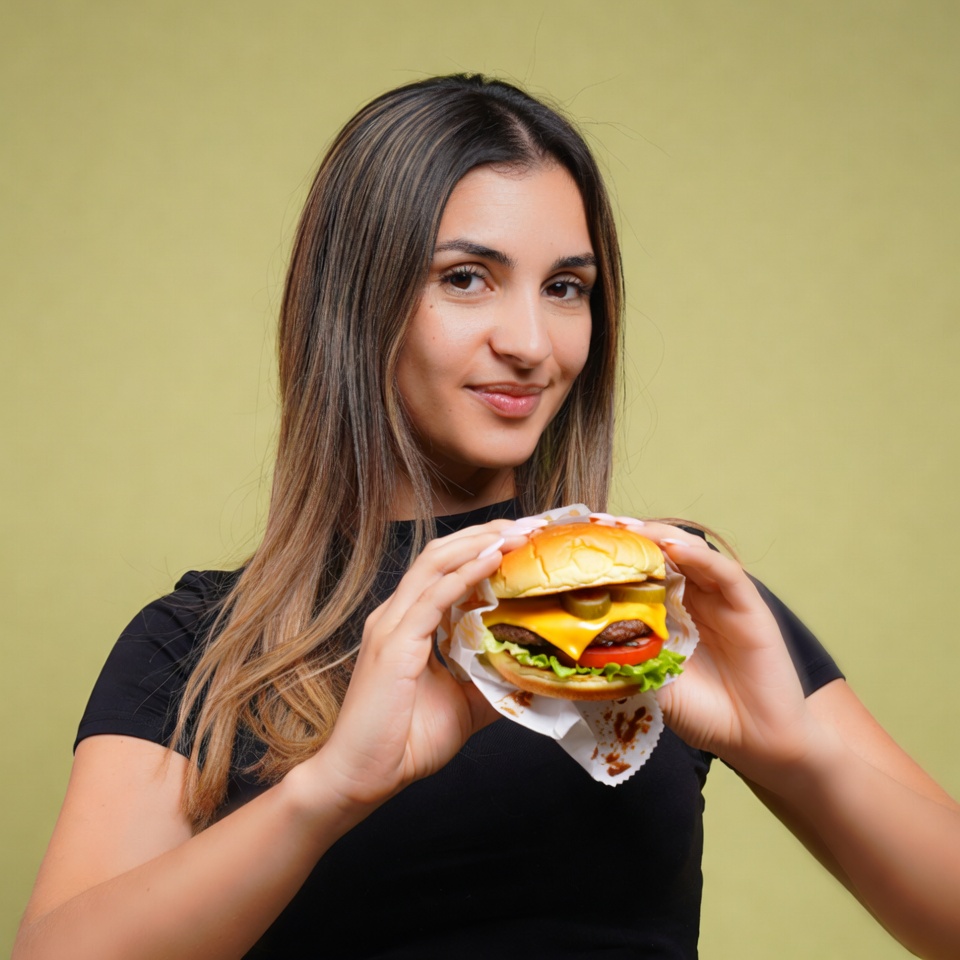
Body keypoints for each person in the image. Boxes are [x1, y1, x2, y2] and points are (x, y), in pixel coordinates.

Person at [13, 75, 960, 960]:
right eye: (466, 277)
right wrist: (328, 792)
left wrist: (798, 759)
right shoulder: (203, 645)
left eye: (566, 288)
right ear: (357, 302)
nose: (531, 343)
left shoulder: (666, 597)